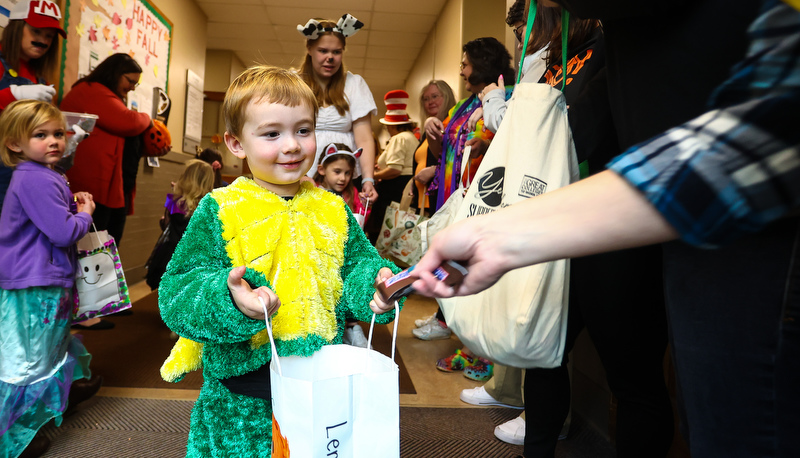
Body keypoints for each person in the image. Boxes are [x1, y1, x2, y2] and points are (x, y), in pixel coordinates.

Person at [411, 1, 799, 456]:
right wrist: (503, 234)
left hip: (749, 254)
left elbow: (764, 134)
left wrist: (509, 233)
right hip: (682, 237)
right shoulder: (629, 35)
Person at [157, 65, 401, 457]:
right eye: (272, 134)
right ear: (236, 144)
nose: (292, 145)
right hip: (242, 395)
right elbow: (178, 290)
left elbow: (356, 265)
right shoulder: (220, 208)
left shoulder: (331, 209)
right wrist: (230, 300)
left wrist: (375, 286)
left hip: (319, 386)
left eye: (303, 130)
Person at [0, 100, 101, 458]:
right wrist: (85, 214)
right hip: (34, 282)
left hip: (42, 278)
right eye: (40, 135)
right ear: (15, 144)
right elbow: (61, 232)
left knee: (49, 346)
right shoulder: (36, 178)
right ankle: (16, 435)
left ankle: (60, 395)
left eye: (58, 133)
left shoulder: (42, 175)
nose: (54, 141)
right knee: (29, 358)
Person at [60, 53, 155, 245]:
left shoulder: (108, 96)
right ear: (115, 73)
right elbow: (129, 121)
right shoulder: (91, 91)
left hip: (107, 185)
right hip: (91, 185)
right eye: (130, 81)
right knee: (94, 245)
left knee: (106, 243)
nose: (132, 87)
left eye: (135, 84)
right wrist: (148, 118)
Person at [297, 13, 378, 201]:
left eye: (336, 52)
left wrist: (368, 180)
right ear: (309, 48)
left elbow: (364, 138)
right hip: (300, 172)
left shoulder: (354, 84)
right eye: (323, 51)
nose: (330, 58)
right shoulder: (295, 82)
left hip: (343, 179)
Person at [0, 0, 66, 214]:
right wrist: (14, 94)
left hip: (26, 174)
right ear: (16, 28)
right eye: (36, 31)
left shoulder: (40, 77)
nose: (43, 41)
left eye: (49, 36)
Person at [145, 159, 215, 291]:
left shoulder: (174, 201)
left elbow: (166, 226)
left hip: (170, 253)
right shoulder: (209, 206)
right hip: (195, 256)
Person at [365, 90, 418, 243]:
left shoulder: (398, 138)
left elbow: (395, 169)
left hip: (394, 189)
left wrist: (373, 175)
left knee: (384, 230)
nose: (387, 129)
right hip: (406, 187)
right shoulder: (412, 138)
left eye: (388, 126)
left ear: (394, 126)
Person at [411, 80, 455, 210]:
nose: (430, 102)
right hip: (421, 203)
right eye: (426, 99)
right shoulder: (426, 134)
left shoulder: (453, 128)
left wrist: (435, 171)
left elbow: (458, 162)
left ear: (446, 97)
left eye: (435, 96)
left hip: (440, 201)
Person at [314, 142, 369, 225]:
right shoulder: (312, 191)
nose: (343, 178)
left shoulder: (352, 193)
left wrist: (364, 206)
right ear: (322, 169)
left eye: (347, 173)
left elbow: (360, 222)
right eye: (337, 172)